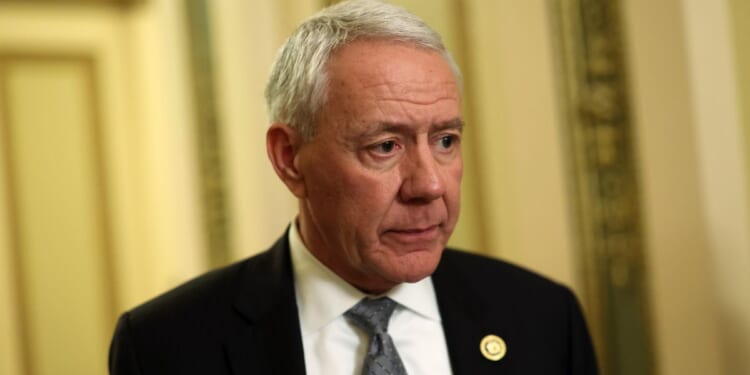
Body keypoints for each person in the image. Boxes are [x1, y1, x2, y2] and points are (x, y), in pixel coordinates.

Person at [109, 0, 598, 374]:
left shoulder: (543, 317)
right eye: (385, 146)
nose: (429, 185)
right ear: (289, 159)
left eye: (446, 140)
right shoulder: (165, 346)